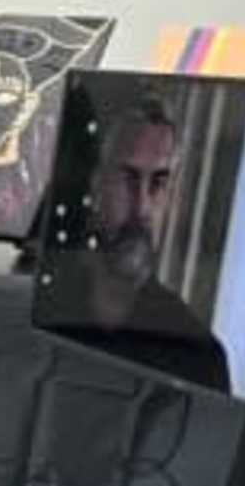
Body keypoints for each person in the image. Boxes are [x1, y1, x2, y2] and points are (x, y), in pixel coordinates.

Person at [61, 99, 232, 391]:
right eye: (128, 178)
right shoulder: (51, 307)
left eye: (159, 183)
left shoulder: (198, 357)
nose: (142, 207)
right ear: (97, 183)